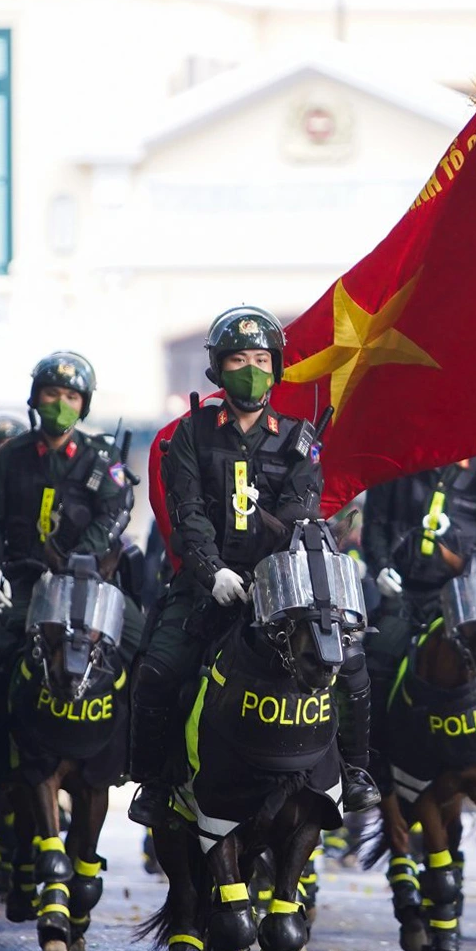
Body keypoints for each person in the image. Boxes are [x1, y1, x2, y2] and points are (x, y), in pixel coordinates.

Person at [128, 307, 379, 824]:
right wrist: (213, 570)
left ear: (277, 368)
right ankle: (154, 782)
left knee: (349, 665)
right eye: (238, 359)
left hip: (281, 587)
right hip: (207, 584)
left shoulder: (299, 439)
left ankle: (354, 772)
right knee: (158, 671)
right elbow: (187, 513)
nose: (251, 369)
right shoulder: (190, 435)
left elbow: (297, 511)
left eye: (261, 359)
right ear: (218, 369)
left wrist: (265, 571)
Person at [0, 353, 138, 784]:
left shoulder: (103, 456)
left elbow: (117, 509)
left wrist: (82, 557)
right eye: (51, 394)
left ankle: (135, 757)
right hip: (26, 580)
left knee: (145, 646)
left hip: (91, 583)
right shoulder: (11, 456)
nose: (61, 403)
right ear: (35, 399)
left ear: (84, 405)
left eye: (71, 396)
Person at [361, 456, 476, 733]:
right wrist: (381, 568)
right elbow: (375, 524)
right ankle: (369, 755)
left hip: (460, 597)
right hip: (403, 590)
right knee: (375, 661)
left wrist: (457, 547)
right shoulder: (395, 457)